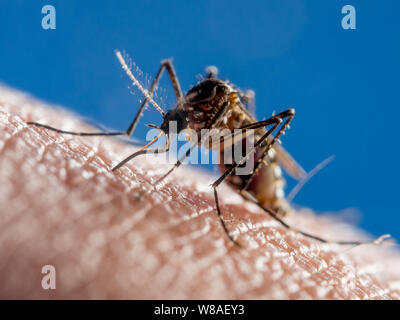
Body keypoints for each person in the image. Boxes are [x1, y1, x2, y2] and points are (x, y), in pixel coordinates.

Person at [0, 85, 399, 299]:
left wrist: (234, 170)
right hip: (232, 147)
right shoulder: (190, 110)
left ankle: (253, 190)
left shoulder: (209, 113)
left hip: (249, 164)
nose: (171, 132)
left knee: (278, 114)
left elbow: (235, 109)